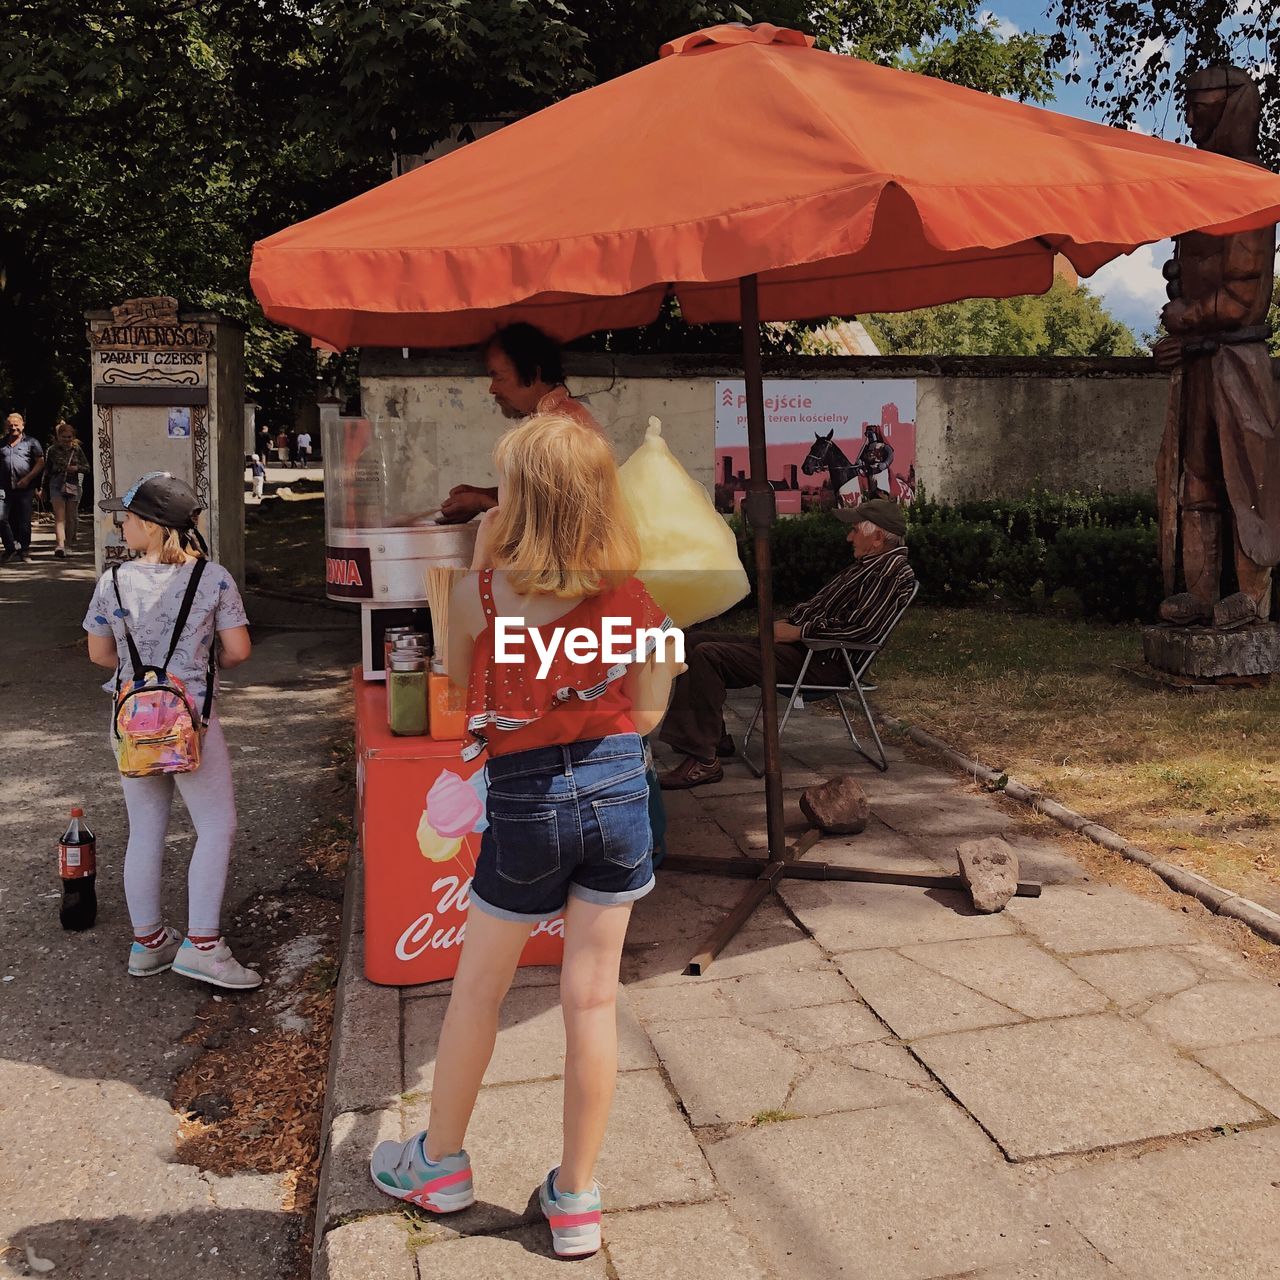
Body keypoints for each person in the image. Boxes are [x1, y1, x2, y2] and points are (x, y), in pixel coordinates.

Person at [370, 413, 682, 1259]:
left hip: (525, 801)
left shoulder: (479, 597)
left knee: (479, 990)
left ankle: (436, 1165)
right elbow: (649, 713)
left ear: (522, 503)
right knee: (592, 1000)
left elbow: (453, 685)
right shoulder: (635, 597)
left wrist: (480, 558)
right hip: (620, 794)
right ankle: (576, 1199)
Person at [82, 472, 261, 989]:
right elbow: (239, 650)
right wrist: (198, 664)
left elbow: (99, 654)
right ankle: (203, 945)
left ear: (156, 525)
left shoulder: (112, 580)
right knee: (216, 825)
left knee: (145, 828)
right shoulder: (214, 578)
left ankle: (149, 942)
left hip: (132, 724)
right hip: (191, 725)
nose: (123, 524)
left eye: (130, 517)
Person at [659, 498, 915, 789]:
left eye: (855, 530)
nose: (849, 536)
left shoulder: (890, 571)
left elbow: (862, 628)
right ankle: (713, 738)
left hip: (821, 661)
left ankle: (702, 761)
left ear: (878, 537)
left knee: (707, 655)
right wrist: (788, 624)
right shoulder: (868, 565)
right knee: (691, 641)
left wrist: (798, 632)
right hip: (804, 650)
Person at [1153, 66, 1280, 628]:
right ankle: (1200, 594)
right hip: (1203, 359)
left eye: (1199, 107)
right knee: (1197, 482)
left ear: (1230, 108)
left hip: (1237, 361)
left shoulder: (1252, 189)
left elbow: (1241, 297)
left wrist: (1188, 314)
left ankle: (1251, 601)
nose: (1190, 118)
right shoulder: (1198, 190)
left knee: (1246, 482)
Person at [439, 323, 600, 524]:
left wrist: (481, 503)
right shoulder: (553, 418)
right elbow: (534, 497)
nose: (492, 388)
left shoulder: (558, 430)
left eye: (498, 377)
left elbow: (545, 523)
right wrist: (486, 493)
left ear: (532, 374)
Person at [1, 412, 45, 562]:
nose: (13, 428)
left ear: (22, 425)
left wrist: (28, 479)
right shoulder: (2, 443)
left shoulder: (31, 442)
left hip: (25, 487)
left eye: (16, 425)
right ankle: (10, 548)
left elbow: (40, 462)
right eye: (10, 425)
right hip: (4, 488)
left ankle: (24, 550)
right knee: (2, 518)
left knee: (24, 520)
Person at [45, 420, 90, 558]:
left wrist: (76, 468)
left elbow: (87, 467)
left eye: (69, 436)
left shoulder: (77, 450)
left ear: (73, 437)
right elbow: (47, 469)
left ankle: (69, 544)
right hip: (56, 484)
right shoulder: (52, 450)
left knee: (71, 517)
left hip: (73, 483)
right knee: (59, 517)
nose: (66, 439)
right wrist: (41, 488)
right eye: (63, 436)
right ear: (58, 437)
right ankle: (60, 545)